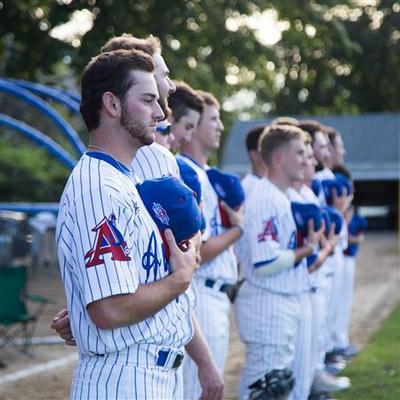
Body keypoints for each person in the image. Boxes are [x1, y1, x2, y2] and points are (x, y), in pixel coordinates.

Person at [55, 49, 223, 400]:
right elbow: (110, 308)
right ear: (112, 105)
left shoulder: (126, 180)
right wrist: (180, 279)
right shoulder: (98, 186)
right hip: (123, 376)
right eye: (148, 101)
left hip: (149, 373)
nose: (161, 112)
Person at [235, 124, 325, 400]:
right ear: (279, 158)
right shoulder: (266, 197)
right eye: (299, 152)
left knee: (281, 384)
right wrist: (306, 249)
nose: (306, 159)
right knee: (265, 387)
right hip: (267, 303)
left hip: (280, 300)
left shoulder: (281, 196)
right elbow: (267, 261)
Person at [178, 90, 244, 399]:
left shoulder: (206, 175)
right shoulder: (187, 171)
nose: (219, 126)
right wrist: (237, 230)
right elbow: (197, 252)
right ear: (192, 126)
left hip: (215, 294)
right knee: (199, 389)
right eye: (213, 120)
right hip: (201, 291)